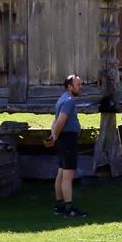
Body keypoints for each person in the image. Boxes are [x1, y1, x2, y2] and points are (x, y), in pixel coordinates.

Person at [43, 74, 87, 218]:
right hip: (67, 139)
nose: (81, 87)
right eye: (78, 85)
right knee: (68, 175)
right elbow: (61, 121)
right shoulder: (68, 101)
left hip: (63, 139)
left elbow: (55, 122)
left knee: (61, 173)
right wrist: (54, 137)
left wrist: (53, 136)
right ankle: (69, 209)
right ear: (70, 87)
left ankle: (60, 206)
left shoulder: (62, 99)